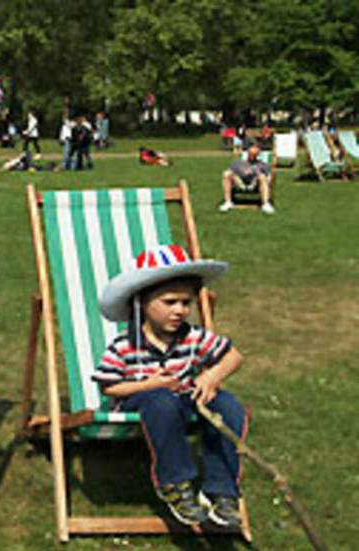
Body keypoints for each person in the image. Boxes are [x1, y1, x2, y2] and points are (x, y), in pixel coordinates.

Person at [94, 244, 247, 529]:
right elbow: (109, 388)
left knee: (227, 405)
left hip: (184, 399)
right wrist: (148, 385)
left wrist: (211, 376)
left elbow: (234, 356)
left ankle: (222, 491)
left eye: (186, 303)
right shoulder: (125, 346)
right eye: (169, 302)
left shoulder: (193, 337)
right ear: (141, 302)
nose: (179, 311)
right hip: (142, 401)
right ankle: (175, 484)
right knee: (161, 400)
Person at [219, 142, 275, 214]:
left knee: (262, 176)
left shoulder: (263, 165)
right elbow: (230, 172)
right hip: (239, 183)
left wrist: (264, 180)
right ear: (248, 153)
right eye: (251, 154)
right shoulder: (238, 163)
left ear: (258, 154)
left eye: (255, 155)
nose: (253, 156)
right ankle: (228, 202)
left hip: (255, 184)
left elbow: (268, 178)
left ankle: (266, 204)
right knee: (226, 174)